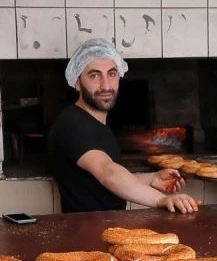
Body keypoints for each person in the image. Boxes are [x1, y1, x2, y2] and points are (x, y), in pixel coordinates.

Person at [48, 38, 201, 214]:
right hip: (84, 233)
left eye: (112, 74)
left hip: (105, 226)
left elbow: (101, 182)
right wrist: (161, 199)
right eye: (94, 75)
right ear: (76, 81)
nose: (106, 85)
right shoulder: (72, 124)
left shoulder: (97, 124)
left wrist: (151, 179)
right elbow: (108, 172)